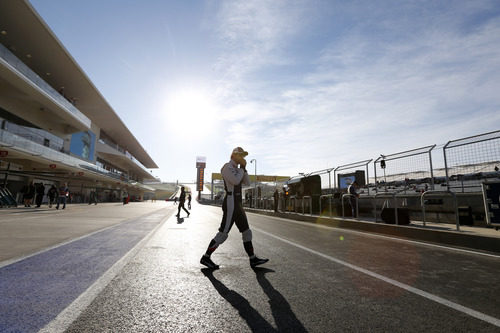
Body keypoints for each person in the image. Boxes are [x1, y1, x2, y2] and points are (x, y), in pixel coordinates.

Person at [200, 147, 269, 269]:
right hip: (231, 202)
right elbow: (236, 181)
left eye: (243, 156)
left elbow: (247, 182)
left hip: (238, 203)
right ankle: (206, 257)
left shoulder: (239, 169)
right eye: (240, 156)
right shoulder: (226, 167)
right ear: (233, 156)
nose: (242, 158)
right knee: (223, 234)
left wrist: (244, 168)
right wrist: (241, 169)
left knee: (247, 232)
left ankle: (253, 259)